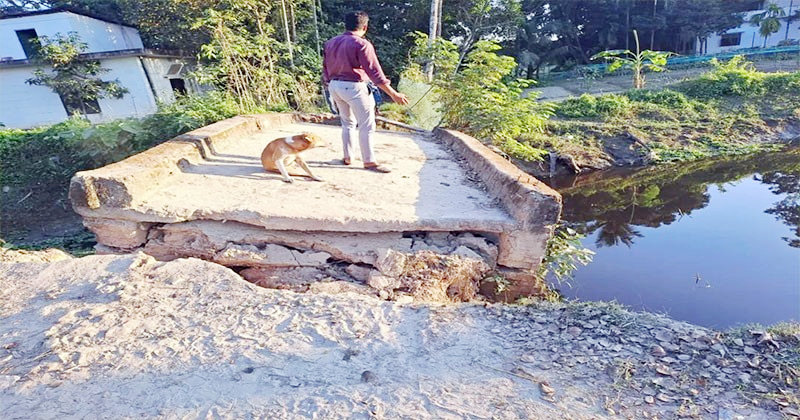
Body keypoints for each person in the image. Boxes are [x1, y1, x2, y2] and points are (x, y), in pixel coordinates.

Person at [322, 10, 409, 173]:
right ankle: (369, 161)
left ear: (346, 25)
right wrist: (393, 94)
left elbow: (325, 69)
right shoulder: (362, 44)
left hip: (334, 85)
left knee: (347, 123)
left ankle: (348, 157)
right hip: (354, 86)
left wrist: (329, 85)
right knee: (366, 125)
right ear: (365, 26)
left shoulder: (330, 43)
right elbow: (375, 73)